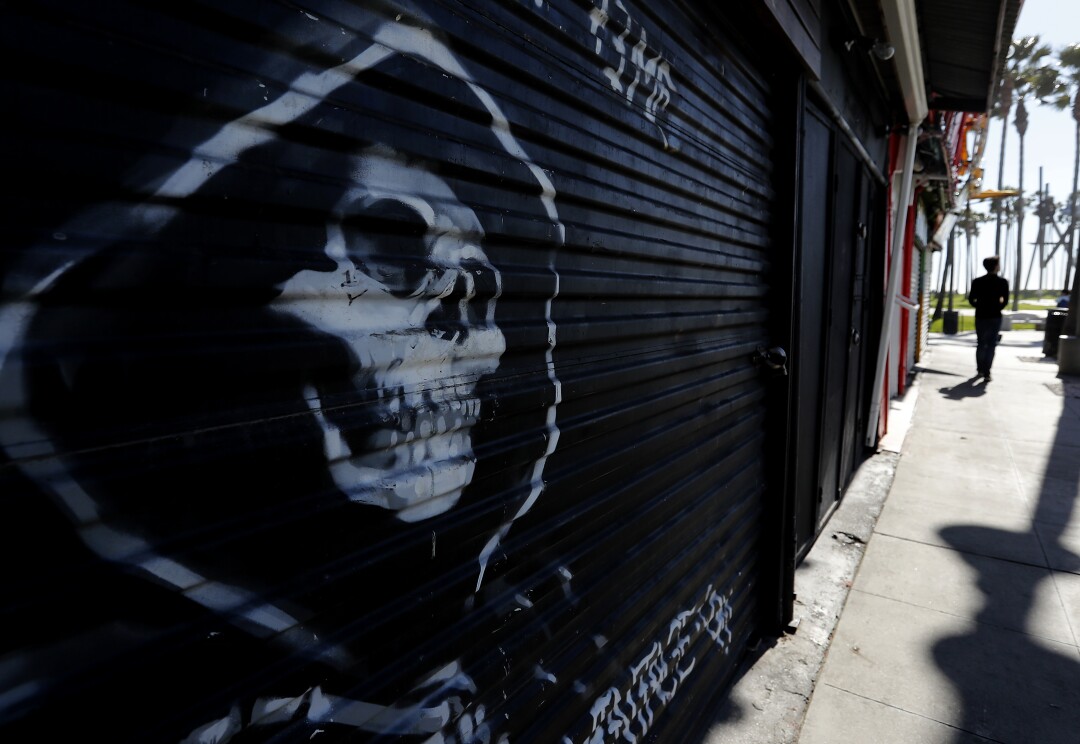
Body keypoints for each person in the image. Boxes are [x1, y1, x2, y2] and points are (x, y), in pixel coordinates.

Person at [967, 256, 1010, 381]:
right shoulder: (1002, 282)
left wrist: (979, 306)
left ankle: (980, 370)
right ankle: (987, 372)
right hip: (995, 316)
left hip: (980, 315)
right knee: (991, 344)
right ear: (996, 266)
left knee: (981, 343)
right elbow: (1005, 301)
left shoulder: (977, 281)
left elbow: (971, 299)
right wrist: (997, 307)